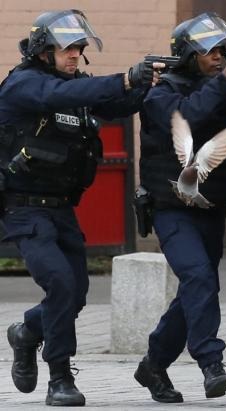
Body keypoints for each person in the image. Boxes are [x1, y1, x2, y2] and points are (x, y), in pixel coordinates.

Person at [0, 9, 162, 407]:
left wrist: (151, 82)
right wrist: (124, 76)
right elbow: (61, 96)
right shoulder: (24, 85)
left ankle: (26, 332)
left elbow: (114, 103)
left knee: (75, 295)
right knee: (61, 283)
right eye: (66, 49)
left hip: (61, 209)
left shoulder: (76, 89)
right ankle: (59, 377)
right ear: (42, 51)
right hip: (23, 208)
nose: (74, 56)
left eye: (78, 49)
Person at [134, 12, 226, 403]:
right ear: (188, 55)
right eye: (209, 51)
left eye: (222, 50)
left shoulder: (222, 88)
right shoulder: (160, 93)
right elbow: (186, 119)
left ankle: (154, 364)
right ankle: (210, 364)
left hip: (211, 207)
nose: (219, 57)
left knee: (197, 288)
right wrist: (222, 84)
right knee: (199, 278)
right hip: (172, 208)